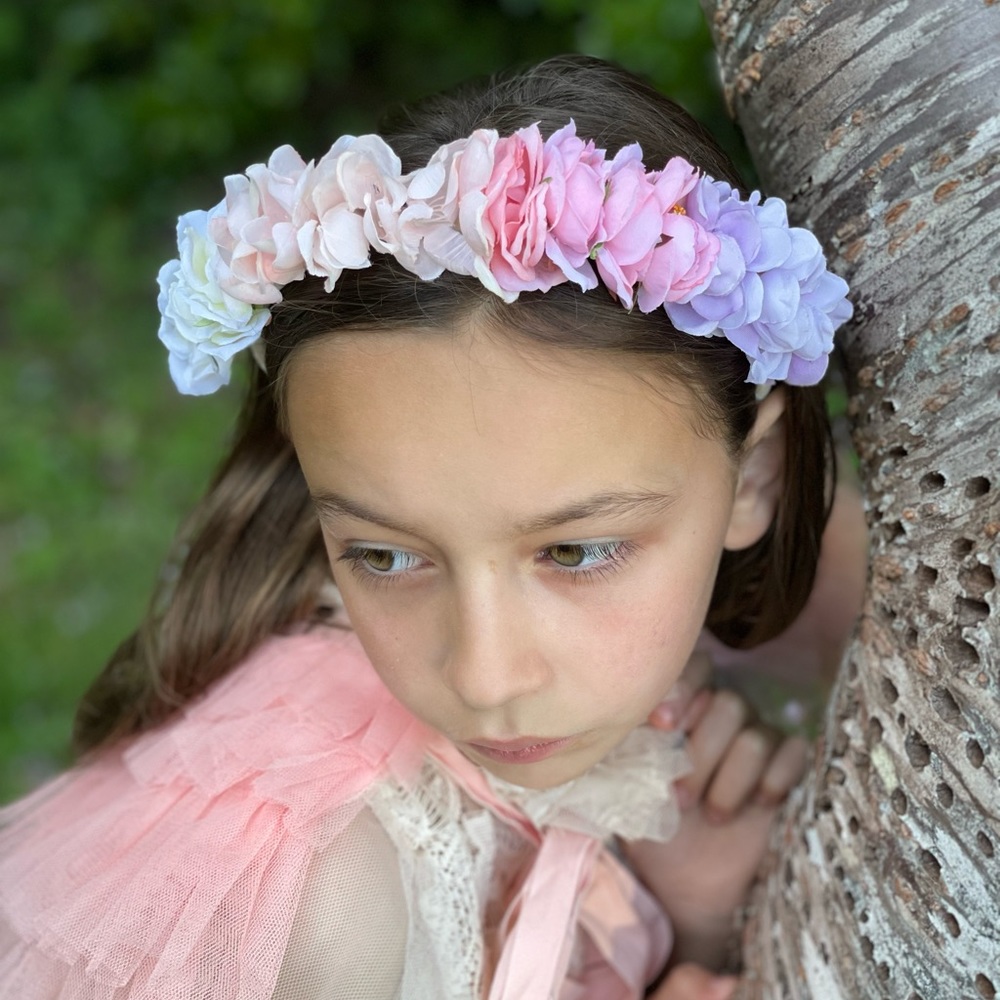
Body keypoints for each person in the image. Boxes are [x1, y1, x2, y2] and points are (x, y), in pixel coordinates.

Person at [0, 55, 854, 1000]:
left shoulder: (684, 717)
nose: (485, 677)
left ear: (755, 477)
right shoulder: (328, 909)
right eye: (387, 555)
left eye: (573, 552)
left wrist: (691, 912)